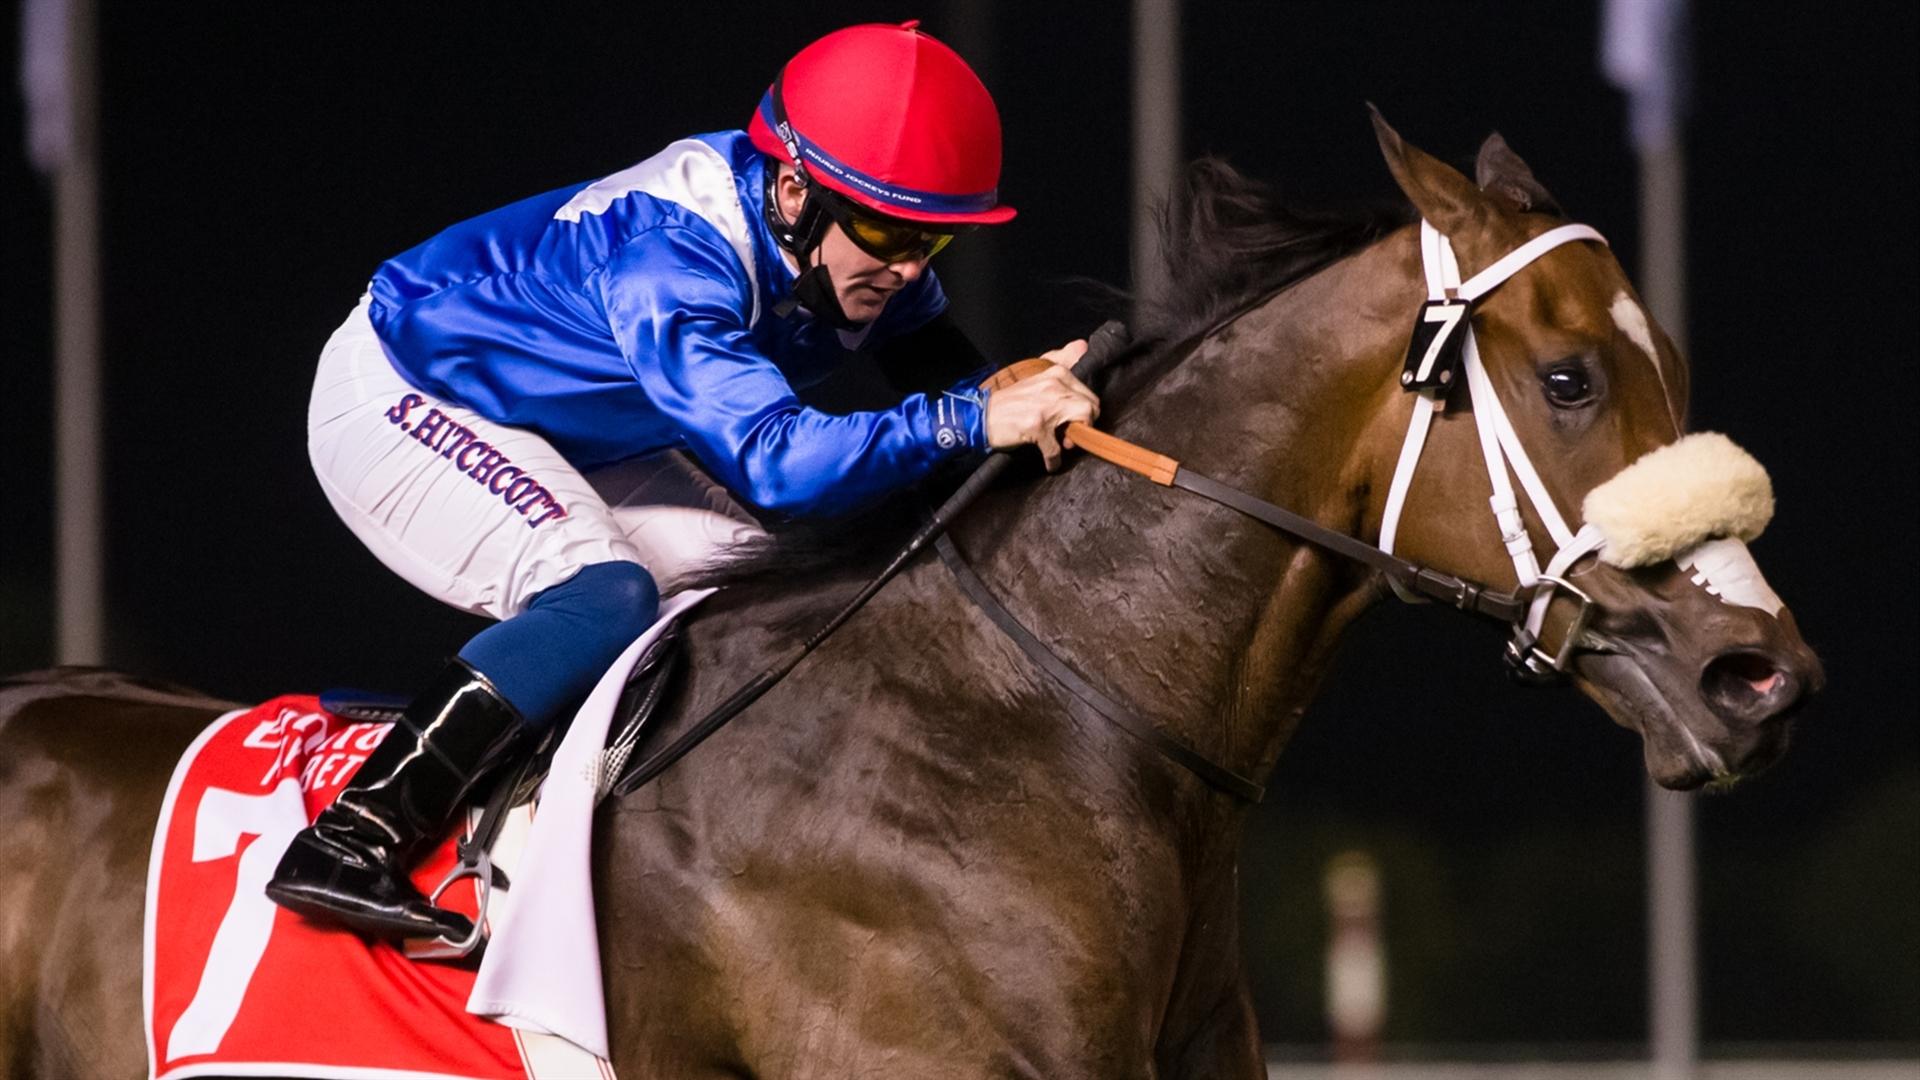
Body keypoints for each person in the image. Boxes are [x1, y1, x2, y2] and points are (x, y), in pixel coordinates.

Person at [265, 20, 1100, 942]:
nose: (906, 267)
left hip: (579, 425)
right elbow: (782, 467)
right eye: (884, 231)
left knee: (780, 593)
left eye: (933, 243)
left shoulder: (841, 229)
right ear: (792, 190)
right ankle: (355, 836)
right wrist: (969, 418)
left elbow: (939, 369)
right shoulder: (674, 257)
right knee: (604, 597)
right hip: (405, 390)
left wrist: (1007, 390)